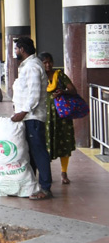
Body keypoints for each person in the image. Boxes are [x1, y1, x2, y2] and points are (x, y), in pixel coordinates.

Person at [10, 37, 54, 200]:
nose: (15, 52)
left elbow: (34, 94)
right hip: (28, 116)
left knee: (39, 151)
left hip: (32, 117)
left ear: (22, 49)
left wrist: (23, 112)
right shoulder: (27, 65)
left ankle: (45, 187)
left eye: (16, 49)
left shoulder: (32, 66)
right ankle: (33, 184)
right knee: (31, 152)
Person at [40, 52, 76, 185]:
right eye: (45, 62)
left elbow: (73, 90)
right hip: (45, 116)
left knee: (64, 143)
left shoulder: (59, 75)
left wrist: (63, 92)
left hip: (62, 117)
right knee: (45, 145)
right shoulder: (39, 76)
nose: (48, 65)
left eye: (50, 62)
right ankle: (46, 174)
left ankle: (64, 172)